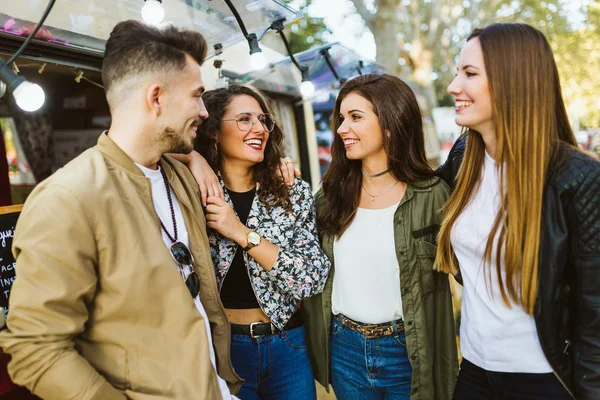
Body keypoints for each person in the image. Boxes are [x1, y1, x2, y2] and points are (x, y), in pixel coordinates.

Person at [0, 20, 242, 399]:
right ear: (156, 97)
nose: (204, 111)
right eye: (196, 95)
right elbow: (36, 351)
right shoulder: (68, 198)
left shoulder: (177, 173)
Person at [435, 23, 600, 399]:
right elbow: (410, 191)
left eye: (469, 73)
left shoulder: (578, 177)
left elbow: (595, 312)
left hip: (545, 381)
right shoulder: (463, 159)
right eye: (457, 72)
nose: (453, 86)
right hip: (475, 371)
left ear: (514, 79)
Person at [302, 73, 458, 399]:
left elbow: (467, 273)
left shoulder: (433, 194)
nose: (342, 128)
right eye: (342, 118)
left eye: (355, 117)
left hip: (409, 352)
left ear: (390, 123)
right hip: (345, 349)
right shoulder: (329, 197)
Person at [190, 84, 330, 399]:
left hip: (288, 346)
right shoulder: (193, 193)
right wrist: (192, 159)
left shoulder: (291, 191)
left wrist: (241, 232)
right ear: (213, 130)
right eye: (244, 119)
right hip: (224, 349)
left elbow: (312, 278)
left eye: (263, 120)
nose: (260, 128)